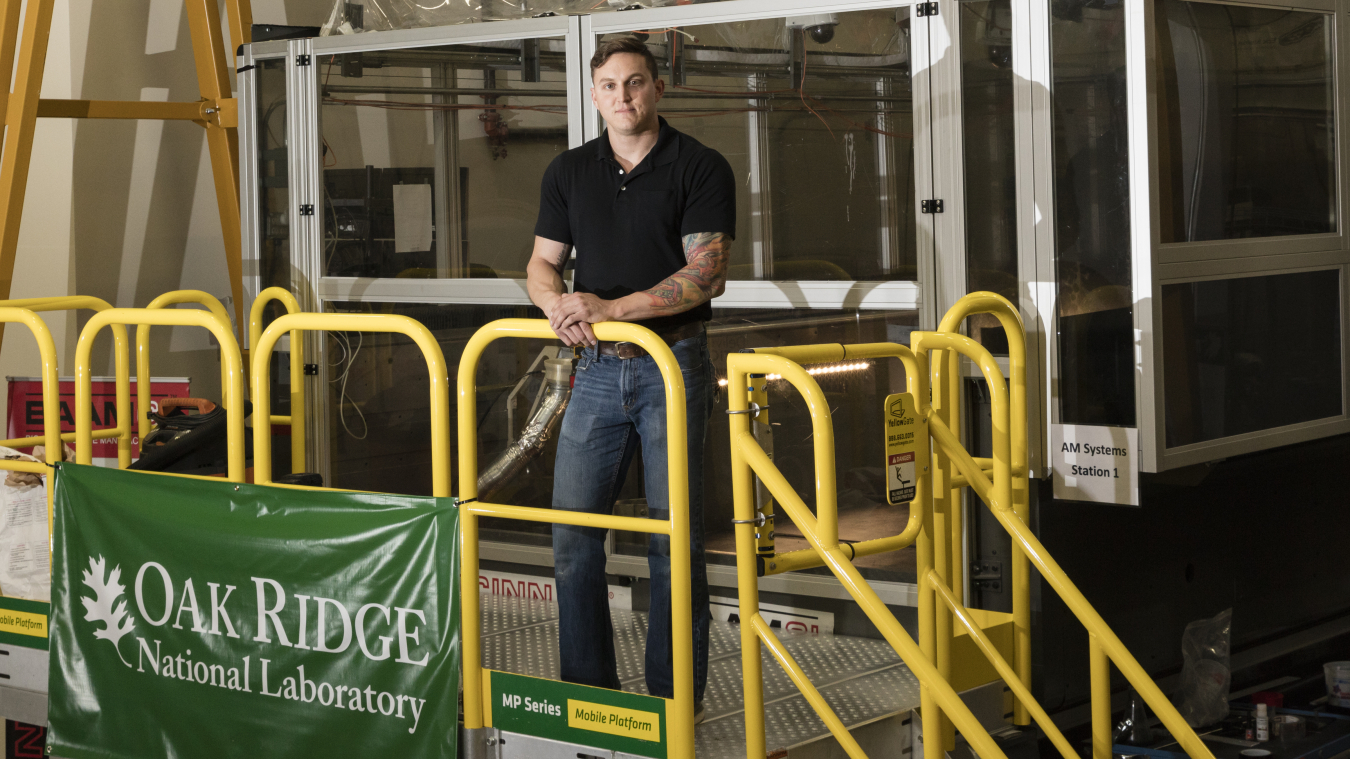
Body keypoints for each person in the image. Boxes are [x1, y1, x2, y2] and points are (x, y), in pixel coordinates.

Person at [526, 36, 735, 720]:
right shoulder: (568, 171)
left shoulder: (698, 166)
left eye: (636, 84)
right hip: (592, 370)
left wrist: (612, 307)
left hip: (670, 366)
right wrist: (557, 304)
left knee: (672, 538)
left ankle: (674, 707)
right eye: (610, 85)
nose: (623, 96)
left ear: (658, 90)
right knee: (572, 537)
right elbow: (540, 262)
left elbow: (706, 273)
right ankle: (590, 698)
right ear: (594, 94)